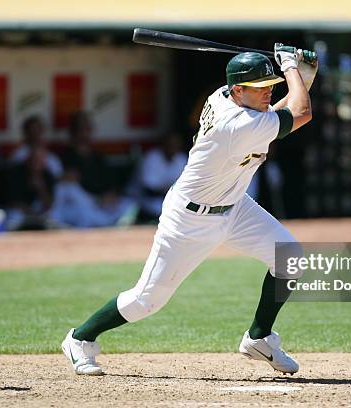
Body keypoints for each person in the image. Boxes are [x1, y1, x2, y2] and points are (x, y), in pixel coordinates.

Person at [61, 44, 317, 376]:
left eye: (270, 86)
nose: (268, 92)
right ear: (237, 90)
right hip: (190, 219)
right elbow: (301, 113)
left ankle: (259, 338)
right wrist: (291, 69)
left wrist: (300, 75)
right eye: (259, 88)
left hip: (235, 207)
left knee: (289, 257)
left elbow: (282, 114)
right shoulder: (235, 123)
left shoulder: (230, 99)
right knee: (147, 300)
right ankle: (80, 339)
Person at [135, 132, 188, 219]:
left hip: (170, 198)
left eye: (175, 144)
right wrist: (168, 192)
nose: (173, 147)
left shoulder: (181, 158)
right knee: (161, 208)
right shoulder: (152, 158)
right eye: (170, 144)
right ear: (163, 145)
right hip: (146, 198)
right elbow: (148, 190)